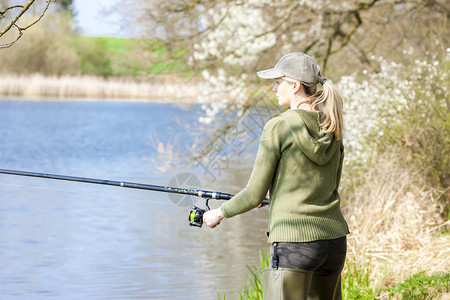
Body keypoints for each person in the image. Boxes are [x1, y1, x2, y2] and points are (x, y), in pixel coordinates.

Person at [203, 52, 350, 300]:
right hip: (334, 243)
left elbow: (252, 195)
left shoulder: (279, 126)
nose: (273, 88)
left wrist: (217, 213)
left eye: (278, 82)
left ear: (294, 86)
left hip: (295, 243)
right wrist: (278, 192)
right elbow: (328, 185)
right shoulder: (331, 125)